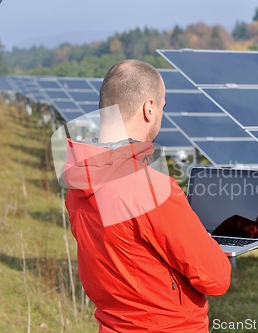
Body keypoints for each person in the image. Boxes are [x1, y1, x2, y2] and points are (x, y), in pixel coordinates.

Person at [63, 59, 231, 332]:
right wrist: (210, 248)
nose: (162, 114)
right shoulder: (150, 188)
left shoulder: (79, 180)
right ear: (149, 108)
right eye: (163, 106)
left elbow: (132, 255)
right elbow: (216, 278)